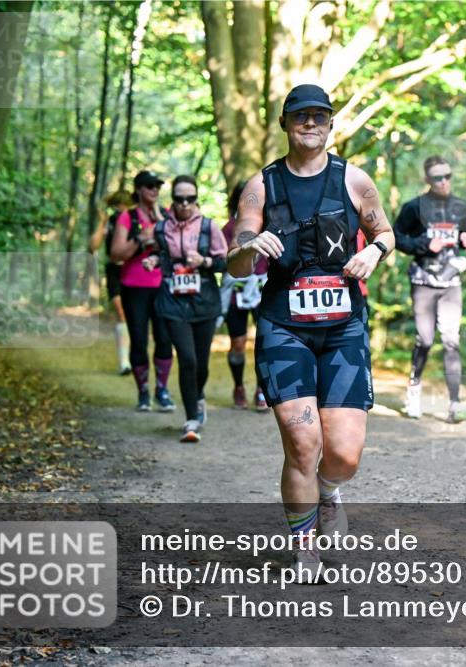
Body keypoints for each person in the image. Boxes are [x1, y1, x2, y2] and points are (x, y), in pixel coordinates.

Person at [226, 84, 394, 578]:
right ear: (285, 123)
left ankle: (329, 490)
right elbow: (235, 263)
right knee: (302, 444)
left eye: (320, 116)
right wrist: (250, 246)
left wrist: (373, 252)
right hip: (285, 329)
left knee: (344, 454)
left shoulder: (354, 180)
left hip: (343, 329)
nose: (311, 124)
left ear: (330, 124)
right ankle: (305, 550)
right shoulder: (261, 187)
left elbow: (385, 233)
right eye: (301, 116)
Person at [142, 175, 228, 442]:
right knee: (187, 359)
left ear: (196, 199)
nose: (185, 204)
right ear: (173, 201)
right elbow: (160, 253)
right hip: (172, 301)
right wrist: (153, 260)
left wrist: (204, 261)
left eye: (190, 199)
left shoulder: (208, 227)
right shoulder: (160, 228)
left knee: (201, 364)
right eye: (179, 199)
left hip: (204, 301)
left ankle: (198, 396)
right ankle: (191, 420)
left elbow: (225, 262)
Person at [393, 155, 466, 423]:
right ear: (427, 179)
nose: (444, 182)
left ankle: (455, 403)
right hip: (423, 282)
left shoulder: (462, 207)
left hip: (451, 283)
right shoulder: (414, 207)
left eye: (447, 176)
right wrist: (423, 245)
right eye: (438, 178)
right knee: (425, 340)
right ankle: (414, 390)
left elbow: (463, 238)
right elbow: (396, 237)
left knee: (451, 340)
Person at [109, 170, 176, 413]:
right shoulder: (128, 217)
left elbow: (179, 247)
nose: (154, 190)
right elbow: (115, 255)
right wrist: (141, 238)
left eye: (157, 185)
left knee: (165, 339)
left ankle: (162, 390)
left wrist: (161, 232)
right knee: (138, 340)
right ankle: (143, 393)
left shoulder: (167, 215)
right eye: (149, 186)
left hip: (163, 286)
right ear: (138, 189)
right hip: (134, 287)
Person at [220, 181, 269, 411]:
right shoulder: (229, 228)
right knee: (238, 343)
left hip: (263, 291)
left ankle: (262, 389)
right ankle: (238, 386)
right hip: (236, 293)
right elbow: (221, 259)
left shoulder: (269, 225)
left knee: (266, 342)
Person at [88, 189, 134, 375]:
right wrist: (102, 222)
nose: (121, 211)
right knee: (121, 312)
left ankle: (134, 356)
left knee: (134, 316)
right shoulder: (111, 221)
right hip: (114, 270)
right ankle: (124, 362)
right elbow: (93, 246)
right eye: (117, 208)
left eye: (124, 207)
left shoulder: (136, 221)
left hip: (134, 271)